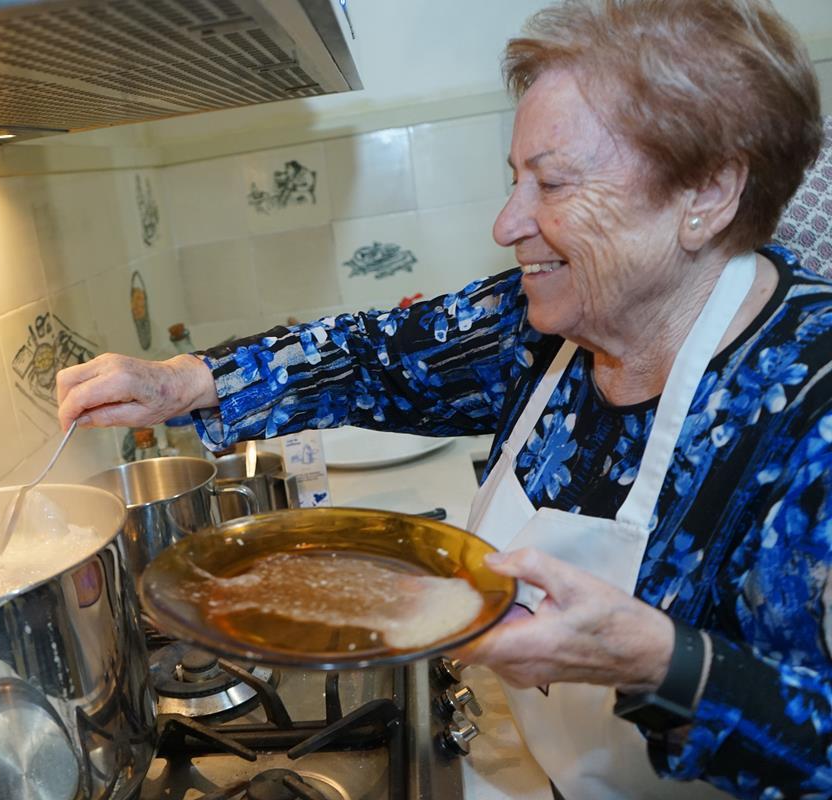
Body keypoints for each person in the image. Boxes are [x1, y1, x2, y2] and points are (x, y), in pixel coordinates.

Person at [56, 0, 829, 796]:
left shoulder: (814, 410)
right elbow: (374, 355)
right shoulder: (538, 323)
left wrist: (656, 663)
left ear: (708, 193)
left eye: (553, 183)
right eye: (514, 180)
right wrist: (184, 381)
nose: (507, 223)